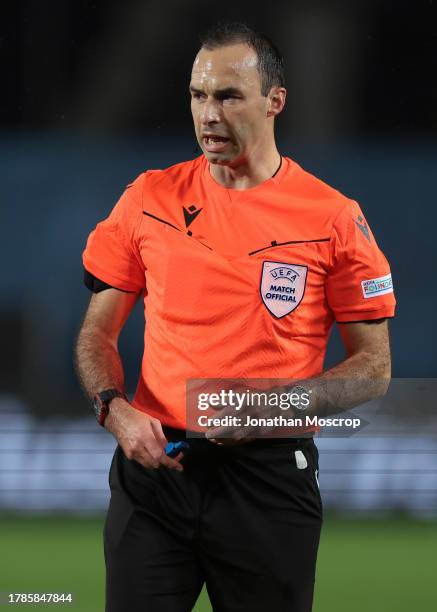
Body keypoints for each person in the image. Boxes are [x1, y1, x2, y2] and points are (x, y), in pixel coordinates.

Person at [75, 22, 396, 612]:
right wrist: (114, 411)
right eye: (198, 95)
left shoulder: (334, 218)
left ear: (275, 102)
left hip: (268, 480)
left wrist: (268, 409)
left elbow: (373, 369)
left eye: (228, 95)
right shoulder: (148, 198)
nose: (208, 114)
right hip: (157, 473)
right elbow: (98, 331)